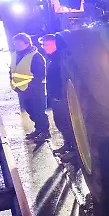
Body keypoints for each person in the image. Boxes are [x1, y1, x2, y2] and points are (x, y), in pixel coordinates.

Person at [40, 33, 77, 161]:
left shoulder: (60, 59)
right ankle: (67, 145)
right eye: (43, 44)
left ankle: (74, 150)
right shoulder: (50, 57)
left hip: (63, 97)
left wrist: (62, 95)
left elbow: (63, 78)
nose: (44, 47)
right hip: (55, 96)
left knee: (68, 124)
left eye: (47, 44)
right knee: (60, 123)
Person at [9, 33, 49, 141]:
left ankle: (45, 132)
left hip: (35, 90)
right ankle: (38, 130)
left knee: (39, 112)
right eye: (14, 43)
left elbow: (40, 75)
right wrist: (13, 84)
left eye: (18, 43)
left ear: (27, 43)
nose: (16, 45)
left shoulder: (36, 56)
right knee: (30, 111)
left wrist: (30, 87)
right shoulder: (15, 55)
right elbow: (12, 70)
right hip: (22, 90)